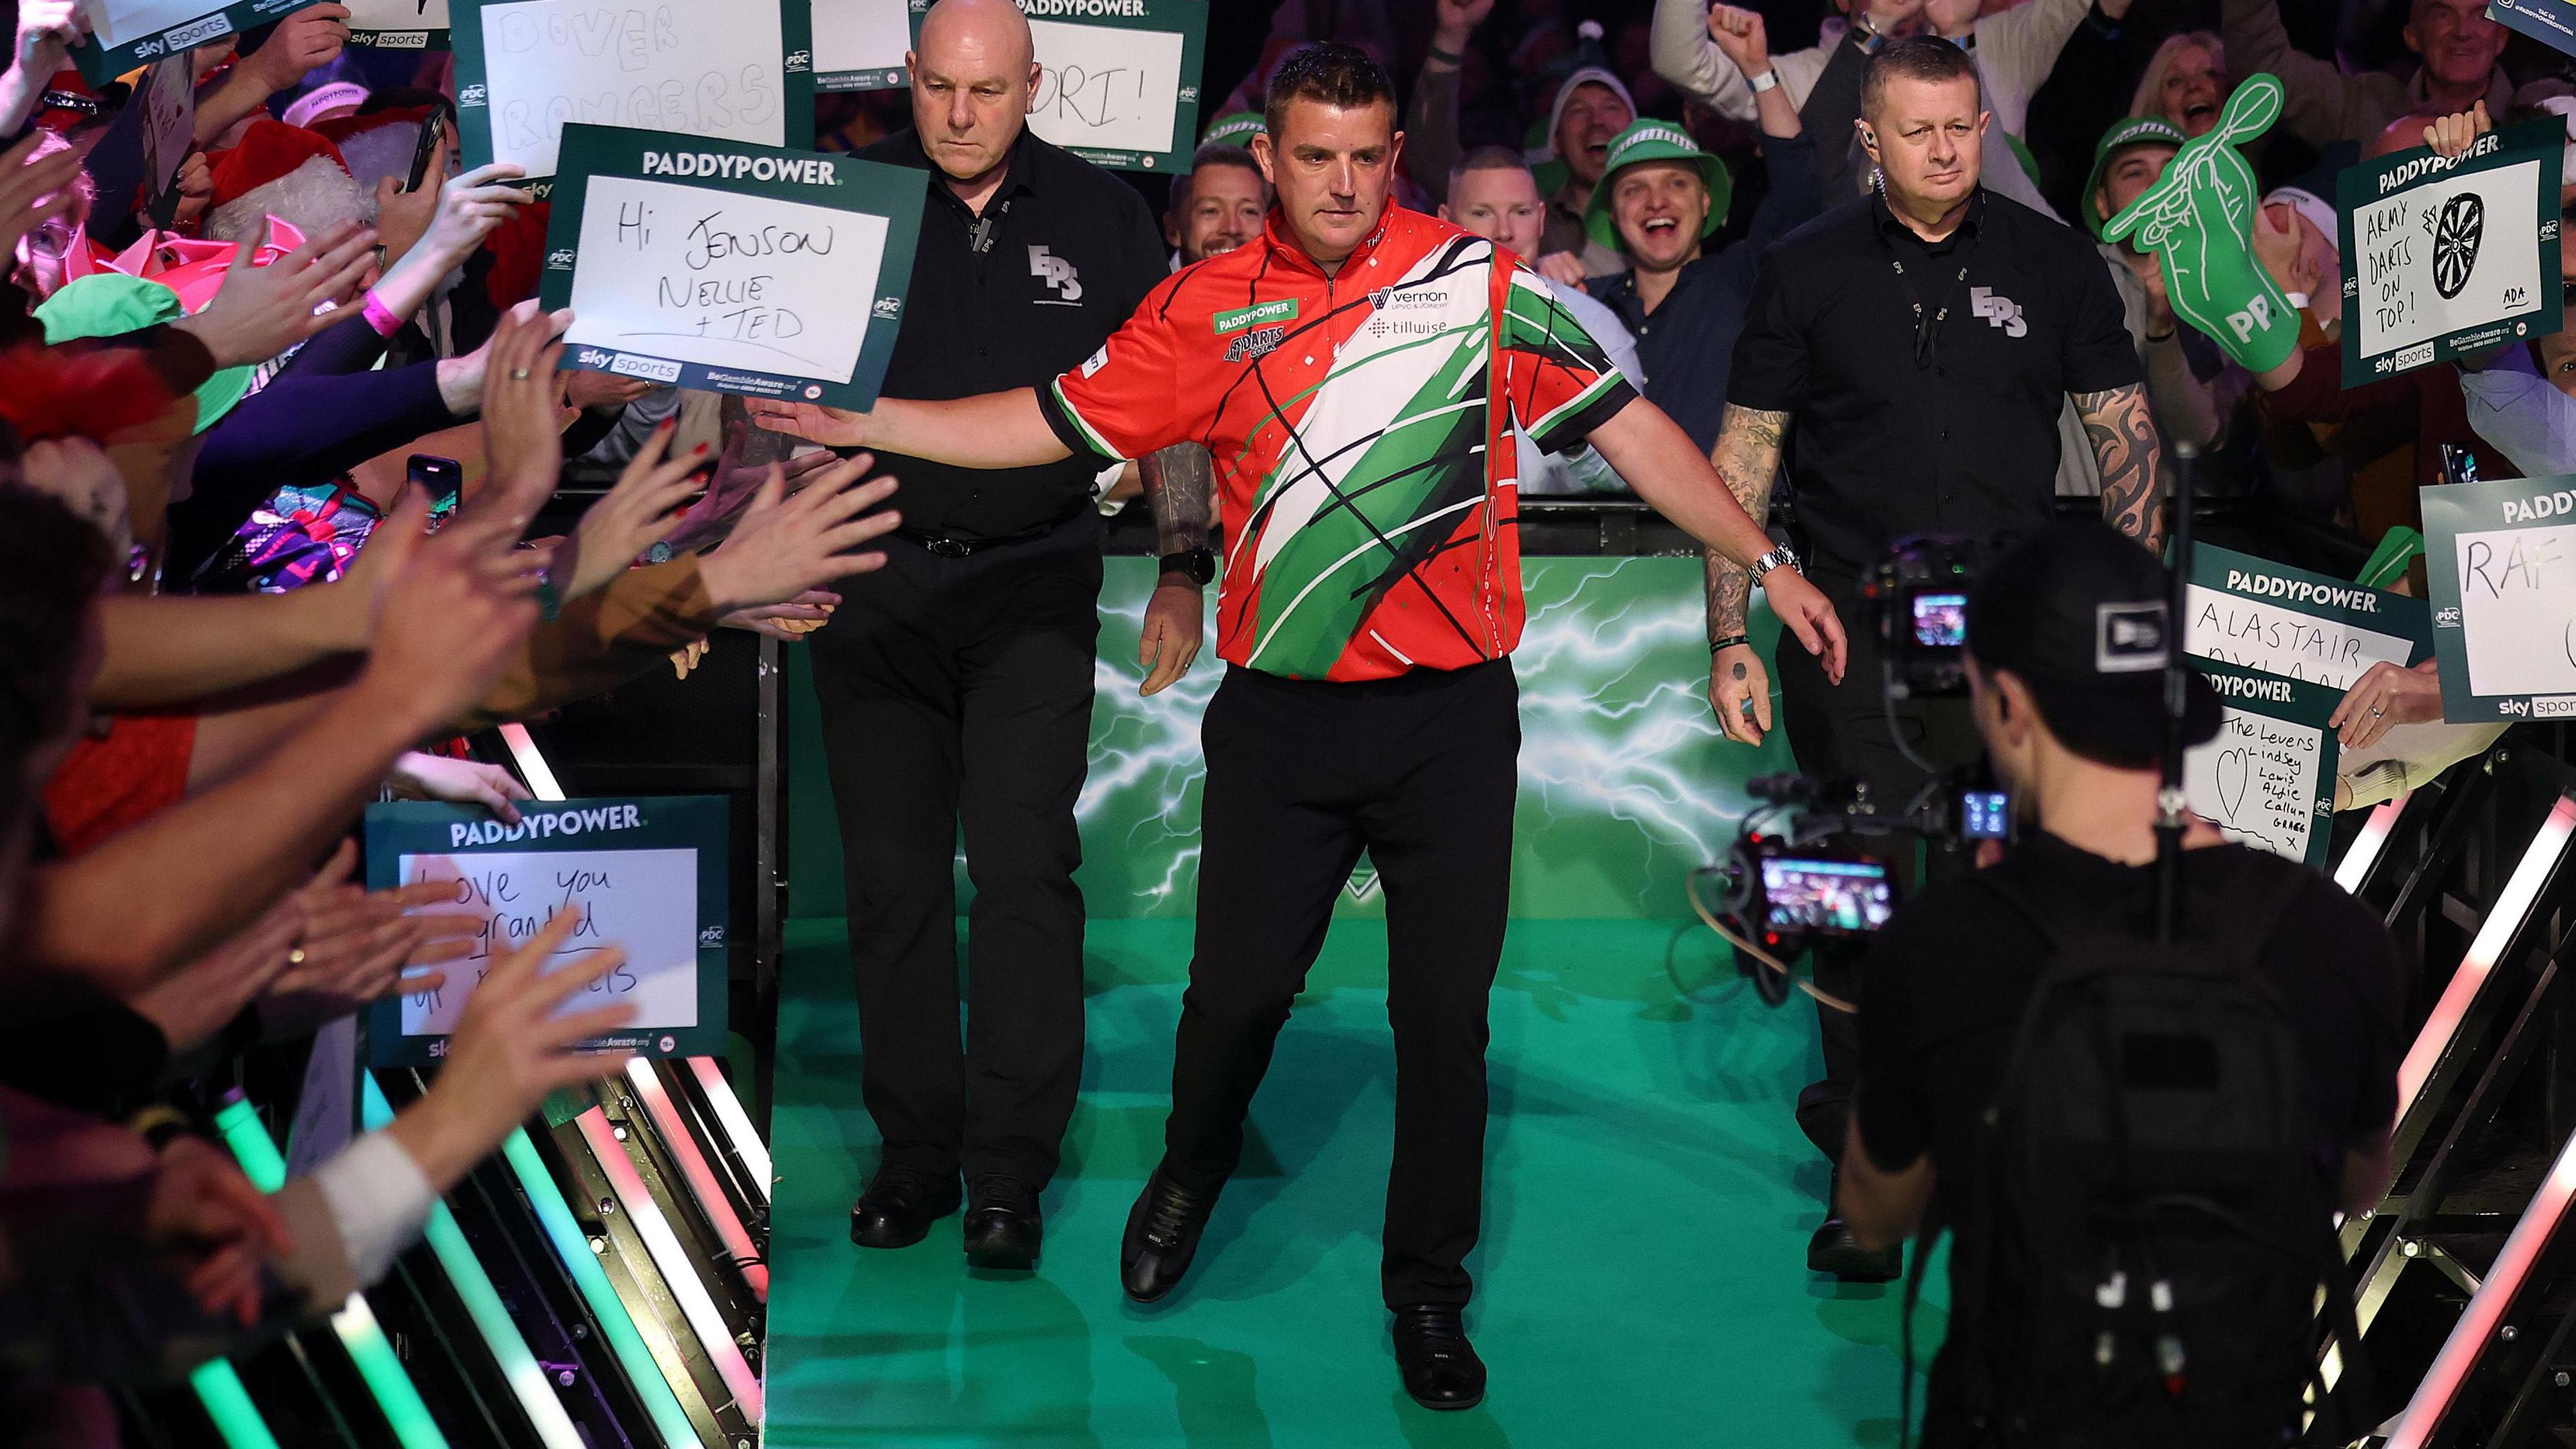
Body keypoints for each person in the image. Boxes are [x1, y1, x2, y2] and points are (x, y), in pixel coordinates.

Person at [748, 41, 1848, 1410]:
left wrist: (1767, 561)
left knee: (1444, 1024)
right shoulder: (1205, 306)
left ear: (1399, 159)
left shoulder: (1481, 283)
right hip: (1281, 727)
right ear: (1267, 160)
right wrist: (870, 410)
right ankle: (1192, 1169)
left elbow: (1635, 437)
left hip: (1452, 724)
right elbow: (1041, 425)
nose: (1339, 183)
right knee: (1235, 1003)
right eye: (1312, 156)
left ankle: (1427, 1292)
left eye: (1365, 157)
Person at [1709, 37, 2171, 1280]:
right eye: (1919, 132)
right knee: (1857, 891)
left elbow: (2128, 450)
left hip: (2010, 645)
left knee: (2008, 895)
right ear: (1868, 137)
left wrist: (2128, 644)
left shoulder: (2053, 263)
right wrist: (1727, 633)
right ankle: (1872, 1170)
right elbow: (1743, 463)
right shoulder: (1801, 271)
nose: (1946, 150)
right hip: (1844, 630)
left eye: (1963, 127)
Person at [1837, 519, 2403, 1446]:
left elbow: (1874, 1212)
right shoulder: (2335, 938)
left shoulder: (1944, 944)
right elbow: (2355, 1177)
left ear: (2010, 707)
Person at [814, 0, 1166, 1275]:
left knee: (1024, 873)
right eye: (939, 89)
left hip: (1033, 583)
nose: (961, 115)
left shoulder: (1108, 217)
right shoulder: (840, 207)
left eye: (988, 91)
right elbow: (772, 407)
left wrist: (1182, 563)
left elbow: (1164, 405)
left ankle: (1008, 1173)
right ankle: (917, 1157)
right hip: (872, 582)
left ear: (1035, 84)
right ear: (908, 78)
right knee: (893, 885)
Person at [1585, 5, 1818, 458]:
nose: (1657, 203)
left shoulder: (1745, 280)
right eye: (1635, 189)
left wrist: (1757, 69)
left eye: (1676, 184)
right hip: (1598, 526)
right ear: (1612, 213)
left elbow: (1799, 187)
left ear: (1707, 200)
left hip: (1718, 525)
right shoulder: (1586, 303)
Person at [1652, 0, 2118, 220]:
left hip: (1998, 279)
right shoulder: (1807, 74)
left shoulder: (1998, 43)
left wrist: (1957, 27)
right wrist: (1878, 23)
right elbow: (1680, 62)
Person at [1438, 145, 1640, 496]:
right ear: (1446, 220)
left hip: (1562, 544)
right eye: (1482, 213)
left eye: (1520, 212)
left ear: (1542, 218)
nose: (1504, 232)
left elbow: (1635, 471)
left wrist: (1574, 439)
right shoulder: (1408, 323)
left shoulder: (1593, 326)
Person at [2223, 0, 2509, 148]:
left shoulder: (2542, 113)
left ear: (2502, 37)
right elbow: (2265, 69)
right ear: (2412, 37)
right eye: (2441, 14)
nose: (2462, 32)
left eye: (2481, 15)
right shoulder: (2364, 107)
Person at [1165, 142, 1269, 268]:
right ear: (1173, 229)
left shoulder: (1288, 286)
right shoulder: (1149, 287)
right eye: (1211, 211)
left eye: (1249, 212)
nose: (1232, 228)